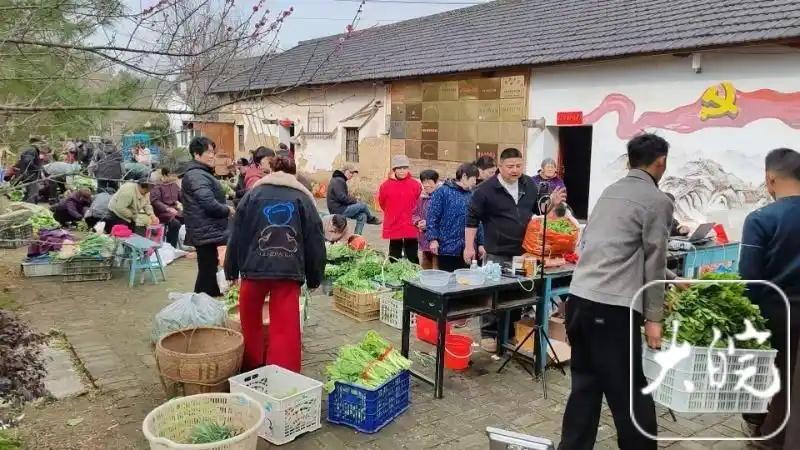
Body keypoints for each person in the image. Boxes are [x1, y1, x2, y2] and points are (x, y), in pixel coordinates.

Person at [559, 133, 674, 450]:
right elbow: (654, 260)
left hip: (579, 300)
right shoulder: (657, 200)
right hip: (611, 309)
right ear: (661, 162)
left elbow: (612, 248)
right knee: (631, 392)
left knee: (585, 387)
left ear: (629, 161)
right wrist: (654, 319)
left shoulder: (609, 192)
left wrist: (673, 278)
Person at [224, 156, 325, 372]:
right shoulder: (303, 198)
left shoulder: (252, 195)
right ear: (294, 174)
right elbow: (315, 240)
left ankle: (252, 366)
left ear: (270, 171)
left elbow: (237, 234)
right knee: (285, 327)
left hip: (253, 269)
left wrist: (231, 269)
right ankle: (283, 374)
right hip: (288, 272)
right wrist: (315, 276)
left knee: (250, 321)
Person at [466, 147, 565, 351]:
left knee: (518, 293)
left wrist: (552, 203)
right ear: (500, 166)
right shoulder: (485, 190)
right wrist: (469, 247)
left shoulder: (529, 184)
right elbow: (472, 219)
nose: (515, 170)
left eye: (519, 166)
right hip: (496, 251)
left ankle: (510, 331)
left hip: (523, 251)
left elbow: (539, 211)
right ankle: (489, 333)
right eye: (510, 166)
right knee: (493, 293)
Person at [739, 148, 800, 449]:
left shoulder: (761, 219)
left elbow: (750, 280)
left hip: (775, 313)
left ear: (770, 179)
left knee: (769, 378)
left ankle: (764, 434)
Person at [182, 136, 235, 297]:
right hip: (204, 229)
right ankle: (200, 302)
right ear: (196, 155)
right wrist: (227, 210)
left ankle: (212, 295)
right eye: (208, 152)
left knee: (209, 267)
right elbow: (208, 203)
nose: (212, 156)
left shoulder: (201, 173)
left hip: (206, 229)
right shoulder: (196, 175)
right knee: (206, 270)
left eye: (213, 152)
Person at [426, 164, 480, 272]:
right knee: (448, 279)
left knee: (466, 279)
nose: (475, 182)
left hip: (468, 248)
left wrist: (481, 244)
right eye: (474, 179)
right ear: (464, 176)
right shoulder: (443, 191)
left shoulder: (473, 195)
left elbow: (478, 221)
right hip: (447, 247)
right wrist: (433, 239)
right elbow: (432, 216)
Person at [379, 155, 422, 264]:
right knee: (394, 253)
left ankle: (414, 272)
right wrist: (393, 213)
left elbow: (419, 203)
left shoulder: (415, 185)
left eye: (405, 168)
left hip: (410, 223)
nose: (402, 171)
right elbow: (383, 203)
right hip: (394, 222)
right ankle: (394, 272)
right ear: (394, 170)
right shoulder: (385, 186)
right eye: (399, 168)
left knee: (412, 254)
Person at [326, 164, 381, 234]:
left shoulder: (339, 180)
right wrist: (355, 201)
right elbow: (342, 197)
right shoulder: (339, 180)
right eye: (350, 172)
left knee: (362, 216)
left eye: (353, 173)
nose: (352, 175)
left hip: (340, 207)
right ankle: (370, 219)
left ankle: (356, 237)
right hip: (338, 210)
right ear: (344, 171)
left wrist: (353, 199)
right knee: (363, 205)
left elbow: (343, 196)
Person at [150, 167, 183, 247]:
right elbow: (155, 201)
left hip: (175, 211)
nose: (175, 177)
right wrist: (167, 208)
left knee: (191, 218)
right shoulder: (157, 186)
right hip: (162, 213)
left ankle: (189, 243)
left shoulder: (174, 185)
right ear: (165, 175)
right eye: (172, 175)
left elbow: (181, 197)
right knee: (175, 224)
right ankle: (171, 246)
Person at [413, 169, 440, 269]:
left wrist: (428, 224)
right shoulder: (421, 198)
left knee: (437, 269)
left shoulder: (442, 197)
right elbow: (414, 213)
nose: (426, 185)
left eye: (429, 182)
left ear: (436, 182)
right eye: (424, 182)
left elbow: (445, 218)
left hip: (438, 242)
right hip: (424, 240)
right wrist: (418, 222)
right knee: (425, 268)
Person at [13, 138, 49, 203]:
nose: (41, 145)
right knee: (33, 194)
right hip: (30, 175)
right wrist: (37, 168)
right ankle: (31, 206)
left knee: (28, 193)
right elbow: (28, 162)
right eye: (40, 143)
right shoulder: (32, 150)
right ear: (35, 143)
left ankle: (25, 205)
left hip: (28, 175)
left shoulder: (30, 150)